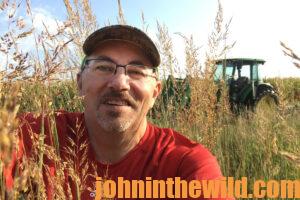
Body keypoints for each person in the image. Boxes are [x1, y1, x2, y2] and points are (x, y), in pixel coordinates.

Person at [5, 25, 232, 199]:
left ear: (155, 93)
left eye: (136, 71)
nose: (120, 83)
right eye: (103, 67)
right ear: (79, 83)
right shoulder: (37, 134)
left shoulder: (185, 165)